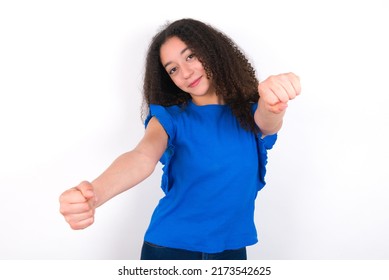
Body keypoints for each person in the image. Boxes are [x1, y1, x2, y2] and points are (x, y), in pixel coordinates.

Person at [59, 18, 301, 260]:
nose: (185, 72)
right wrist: (95, 194)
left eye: (190, 56)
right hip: (171, 250)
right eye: (172, 69)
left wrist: (272, 102)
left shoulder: (250, 115)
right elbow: (142, 156)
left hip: (232, 250)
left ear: (213, 51)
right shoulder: (170, 119)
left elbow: (268, 121)